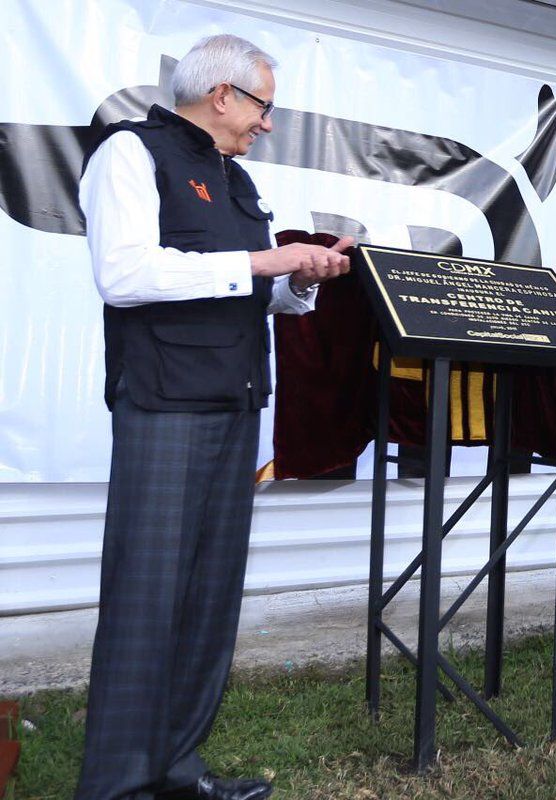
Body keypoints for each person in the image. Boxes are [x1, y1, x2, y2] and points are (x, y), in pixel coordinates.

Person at [75, 35, 352, 800]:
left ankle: (177, 767)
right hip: (164, 405)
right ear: (223, 94)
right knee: (147, 596)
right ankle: (116, 786)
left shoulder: (235, 181)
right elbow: (124, 273)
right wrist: (267, 262)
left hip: (236, 403)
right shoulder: (131, 154)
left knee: (209, 595)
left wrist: (304, 279)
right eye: (264, 106)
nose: (268, 124)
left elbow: (249, 288)